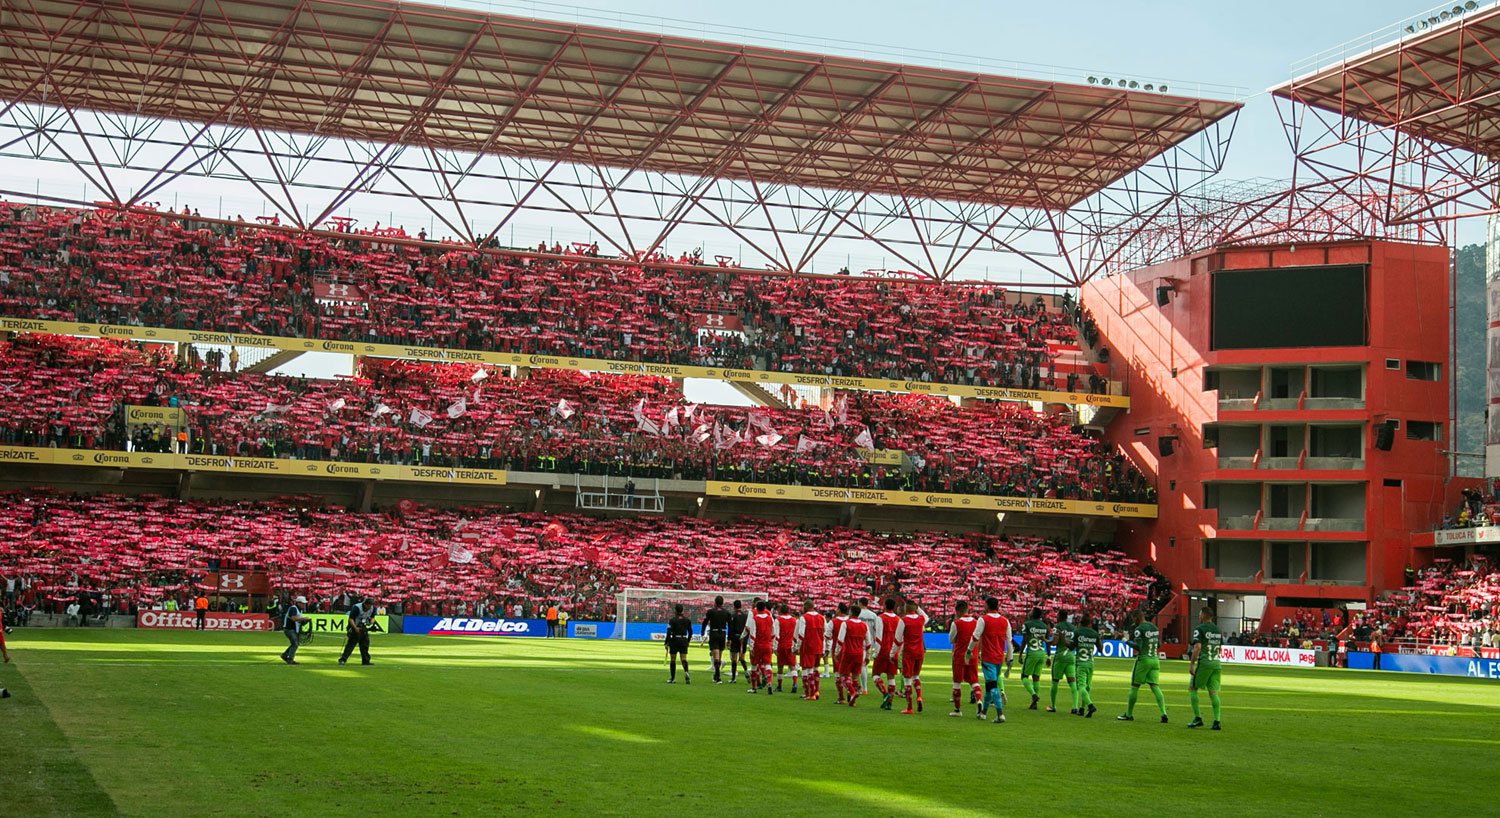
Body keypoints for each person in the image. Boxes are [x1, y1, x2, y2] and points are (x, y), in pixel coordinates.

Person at [1119, 609, 1168, 723]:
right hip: (1155, 660)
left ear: (1136, 617)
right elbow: (1159, 645)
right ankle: (1163, 713)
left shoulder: (1139, 629)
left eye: (1133, 619)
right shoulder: (1154, 628)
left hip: (1144, 660)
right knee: (1155, 686)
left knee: (1134, 686)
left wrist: (1125, 640)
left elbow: (1139, 647)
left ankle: (1129, 714)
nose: (1133, 622)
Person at [968, 596, 1011, 723]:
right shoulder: (1005, 621)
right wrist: (1010, 658)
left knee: (992, 687)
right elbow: (1009, 641)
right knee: (988, 686)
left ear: (987, 606)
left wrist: (969, 650)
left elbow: (975, 637)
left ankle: (1000, 714)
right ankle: (983, 713)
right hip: (998, 658)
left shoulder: (983, 619)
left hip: (988, 658)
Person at [1187, 606, 1223, 730]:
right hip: (1216, 663)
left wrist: (1192, 663)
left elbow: (1197, 647)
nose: (1199, 616)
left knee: (1192, 688)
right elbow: (1220, 648)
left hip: (1205, 663)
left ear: (1203, 615)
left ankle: (1197, 718)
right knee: (1213, 692)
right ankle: (1217, 721)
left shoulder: (1200, 629)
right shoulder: (1217, 630)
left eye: (1199, 614)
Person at [891, 602, 928, 714]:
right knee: (916, 676)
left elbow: (897, 639)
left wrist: (892, 653)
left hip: (908, 652)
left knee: (907, 678)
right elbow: (926, 617)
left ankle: (909, 707)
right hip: (920, 651)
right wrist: (919, 608)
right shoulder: (921, 619)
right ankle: (919, 697)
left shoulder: (903, 620)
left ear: (905, 609)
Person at [834, 602, 872, 707]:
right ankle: (853, 701)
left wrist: (837, 653)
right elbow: (868, 643)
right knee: (855, 677)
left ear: (851, 612)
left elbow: (840, 640)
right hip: (859, 653)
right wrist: (868, 656)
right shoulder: (864, 625)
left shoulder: (845, 624)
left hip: (848, 653)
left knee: (844, 675)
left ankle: (852, 692)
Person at [948, 601, 981, 717]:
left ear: (958, 611)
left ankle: (957, 710)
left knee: (957, 682)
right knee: (974, 681)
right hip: (973, 656)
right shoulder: (976, 623)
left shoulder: (956, 623)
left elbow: (951, 640)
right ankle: (979, 700)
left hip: (959, 656)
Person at [871, 598, 903, 710]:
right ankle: (890, 703)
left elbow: (879, 636)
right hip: (893, 651)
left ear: (884, 605)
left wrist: (876, 652)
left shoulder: (880, 618)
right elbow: (901, 638)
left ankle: (885, 694)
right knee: (891, 677)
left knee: (875, 674)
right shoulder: (899, 620)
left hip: (883, 650)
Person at [742, 600, 778, 694]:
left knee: (754, 666)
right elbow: (774, 633)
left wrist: (751, 648)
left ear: (756, 609)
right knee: (767, 665)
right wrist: (773, 645)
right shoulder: (770, 618)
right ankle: (769, 684)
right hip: (767, 645)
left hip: (757, 645)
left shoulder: (755, 619)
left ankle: (754, 688)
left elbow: (752, 634)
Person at [793, 602, 825, 700]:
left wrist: (797, 646)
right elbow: (824, 633)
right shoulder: (821, 617)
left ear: (806, 607)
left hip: (807, 646)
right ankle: (816, 691)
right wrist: (824, 648)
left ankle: (809, 693)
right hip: (818, 646)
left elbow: (801, 634)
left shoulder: (804, 618)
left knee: (807, 670)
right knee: (815, 669)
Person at [1019, 607, 1050, 709]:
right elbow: (1047, 642)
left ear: (1033, 614)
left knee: (1024, 677)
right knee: (1036, 678)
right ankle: (1034, 704)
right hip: (1042, 653)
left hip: (1032, 653)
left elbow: (1024, 640)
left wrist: (1020, 654)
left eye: (1031, 611)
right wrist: (1048, 656)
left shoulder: (1027, 624)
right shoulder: (1045, 626)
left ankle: (1034, 695)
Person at [1048, 610, 1078, 714]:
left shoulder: (1058, 627)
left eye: (1057, 616)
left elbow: (1054, 643)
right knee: (1072, 681)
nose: (1056, 617)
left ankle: (1053, 706)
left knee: (1055, 681)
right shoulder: (1073, 628)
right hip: (1070, 656)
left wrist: (1045, 640)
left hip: (1060, 657)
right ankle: (1075, 706)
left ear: (1060, 616)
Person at [1072, 614, 1101, 718]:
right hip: (1091, 663)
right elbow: (1101, 650)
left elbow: (1071, 647)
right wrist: (1099, 639)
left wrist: (1063, 638)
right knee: (1087, 687)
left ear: (1080, 623)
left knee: (1081, 687)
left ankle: (1090, 705)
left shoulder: (1077, 632)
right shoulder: (1094, 634)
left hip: (1081, 663)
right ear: (1089, 624)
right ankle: (1082, 709)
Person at [701, 596, 732, 684]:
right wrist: (729, 638)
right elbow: (730, 626)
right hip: (722, 634)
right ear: (722, 603)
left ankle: (717, 677)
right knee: (719, 655)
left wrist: (702, 631)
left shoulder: (711, 611)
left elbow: (705, 621)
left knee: (716, 656)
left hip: (714, 633)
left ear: (715, 602)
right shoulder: (726, 613)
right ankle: (716, 675)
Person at [338, 595, 374, 665]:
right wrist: (355, 628)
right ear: (365, 604)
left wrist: (371, 622)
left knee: (365, 645)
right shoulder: (357, 608)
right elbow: (351, 619)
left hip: (364, 628)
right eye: (369, 605)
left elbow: (372, 617)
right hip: (355, 627)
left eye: (371, 605)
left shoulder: (372, 608)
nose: (369, 607)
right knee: (351, 645)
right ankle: (343, 659)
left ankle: (366, 661)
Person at [774, 603, 799, 693]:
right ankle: (795, 683)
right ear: (789, 611)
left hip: (781, 645)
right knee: (792, 666)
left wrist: (775, 647)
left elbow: (776, 635)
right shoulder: (794, 620)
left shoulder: (778, 620)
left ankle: (779, 686)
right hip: (791, 645)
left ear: (780, 611)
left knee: (780, 667)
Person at [856, 597, 879, 694]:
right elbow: (876, 629)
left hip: (858, 641)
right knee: (865, 664)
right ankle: (863, 687)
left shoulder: (857, 614)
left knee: (861, 665)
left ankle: (864, 688)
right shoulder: (873, 615)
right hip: (869, 641)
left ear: (860, 604)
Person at [665, 603, 692, 684]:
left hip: (675, 640)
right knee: (683, 658)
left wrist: (666, 643)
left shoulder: (672, 620)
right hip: (683, 639)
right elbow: (690, 632)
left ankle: (672, 678)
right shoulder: (687, 620)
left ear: (675, 611)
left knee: (673, 659)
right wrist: (688, 641)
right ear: (682, 610)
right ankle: (686, 671)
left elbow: (669, 632)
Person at [280, 595, 310, 665]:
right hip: (289, 629)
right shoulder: (293, 608)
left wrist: (303, 622)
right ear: (298, 603)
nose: (303, 605)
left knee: (294, 643)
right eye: (302, 603)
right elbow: (293, 618)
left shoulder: (299, 609)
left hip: (293, 629)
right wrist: (303, 619)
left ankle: (285, 655)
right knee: (295, 643)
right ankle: (290, 659)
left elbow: (297, 620)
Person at [727, 600, 749, 684]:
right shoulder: (745, 616)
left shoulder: (733, 616)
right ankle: (746, 672)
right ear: (741, 606)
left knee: (734, 659)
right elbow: (747, 628)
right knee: (742, 657)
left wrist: (729, 639)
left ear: (734, 606)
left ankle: (733, 678)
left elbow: (730, 628)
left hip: (735, 637)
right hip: (743, 638)